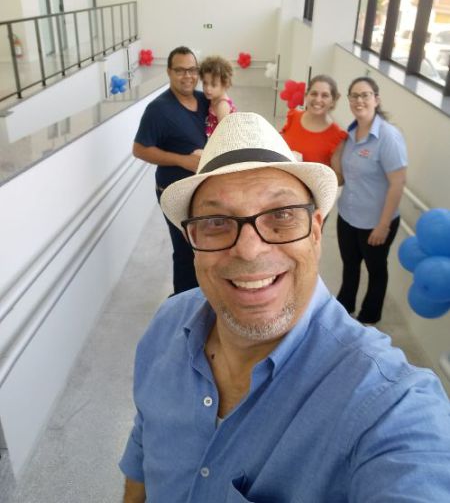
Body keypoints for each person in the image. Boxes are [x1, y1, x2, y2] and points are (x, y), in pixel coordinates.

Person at [120, 112, 450, 503]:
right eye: (216, 221)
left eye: (281, 216)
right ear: (192, 242)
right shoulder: (166, 325)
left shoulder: (388, 402)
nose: (249, 250)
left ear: (316, 231)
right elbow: (144, 447)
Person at [132, 45, 209, 294]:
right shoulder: (159, 109)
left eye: (192, 70)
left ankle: (204, 296)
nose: (188, 76)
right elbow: (140, 149)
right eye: (180, 70)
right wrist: (182, 161)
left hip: (202, 190)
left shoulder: (203, 100)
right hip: (174, 192)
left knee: (204, 248)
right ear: (169, 72)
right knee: (185, 250)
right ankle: (182, 302)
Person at [334, 76, 407, 324]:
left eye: (365, 95)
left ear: (376, 99)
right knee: (350, 265)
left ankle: (369, 317)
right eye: (354, 96)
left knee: (376, 271)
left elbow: (398, 183)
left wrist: (383, 225)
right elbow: (345, 176)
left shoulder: (388, 136)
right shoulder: (350, 133)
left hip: (376, 222)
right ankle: (344, 308)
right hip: (348, 216)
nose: (359, 100)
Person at [280, 74, 347, 166]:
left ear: (333, 101)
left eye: (325, 95)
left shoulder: (337, 136)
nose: (318, 99)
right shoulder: (293, 117)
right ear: (306, 95)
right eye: (314, 94)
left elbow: (336, 173)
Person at [199, 55, 237, 137]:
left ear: (225, 84)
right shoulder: (215, 98)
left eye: (213, 85)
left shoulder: (222, 106)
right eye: (205, 83)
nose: (208, 88)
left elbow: (224, 133)